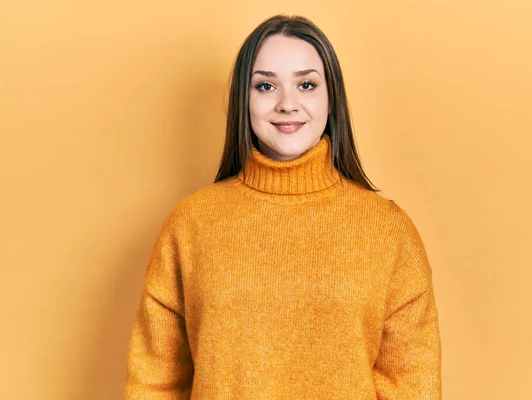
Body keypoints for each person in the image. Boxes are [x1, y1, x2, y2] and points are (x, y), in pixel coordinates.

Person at [122, 14, 441, 399]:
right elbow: (155, 381)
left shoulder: (388, 230)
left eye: (306, 84)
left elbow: (412, 385)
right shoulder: (190, 224)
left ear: (331, 98)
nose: (287, 104)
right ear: (245, 99)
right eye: (266, 85)